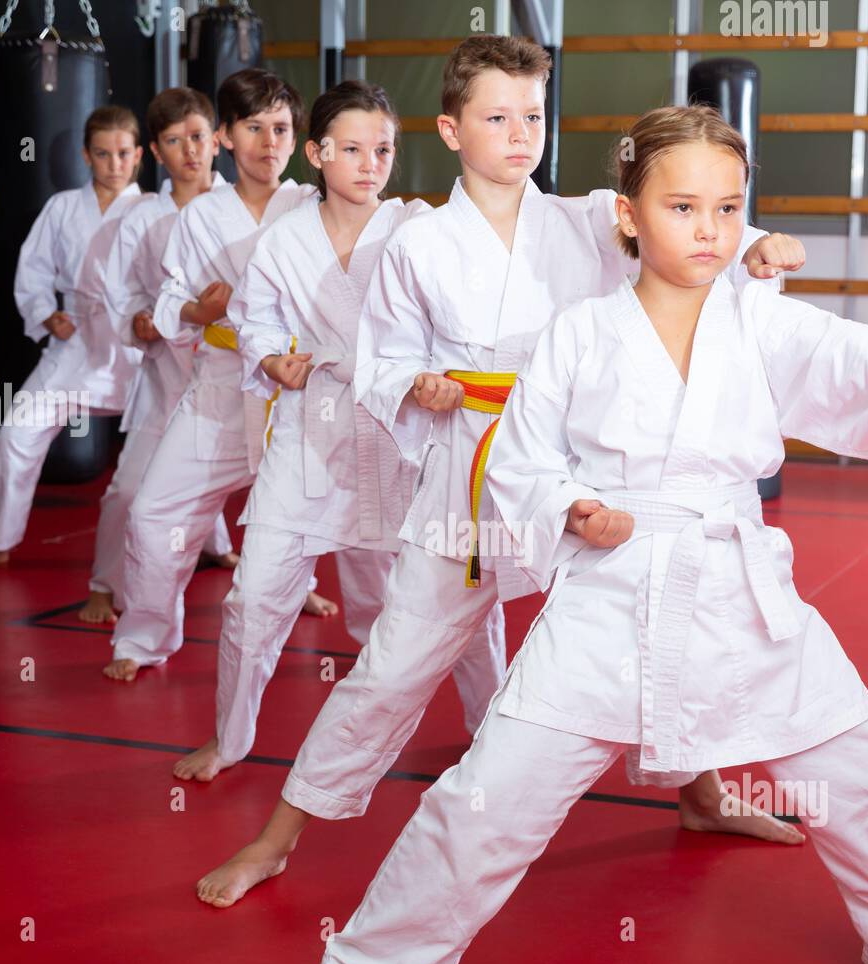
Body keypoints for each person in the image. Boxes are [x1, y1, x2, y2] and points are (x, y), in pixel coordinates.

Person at [263, 103, 868, 964]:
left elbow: (847, 359)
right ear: (629, 215)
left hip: (741, 594)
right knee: (484, 800)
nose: (708, 230)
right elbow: (520, 462)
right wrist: (571, 510)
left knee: (864, 776)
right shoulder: (579, 334)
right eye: (682, 207)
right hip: (608, 598)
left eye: (727, 208)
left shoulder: (758, 321)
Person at [195, 35, 804, 913]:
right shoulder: (419, 240)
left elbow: (688, 221)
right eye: (496, 117)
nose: (521, 134)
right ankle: (278, 835)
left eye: (532, 115)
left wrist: (754, 249)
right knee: (393, 665)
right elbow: (382, 362)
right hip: (468, 484)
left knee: (655, 628)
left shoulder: (590, 217)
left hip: (585, 469)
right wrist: (417, 384)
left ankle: (701, 792)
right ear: (450, 129)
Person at [175, 80, 503, 785]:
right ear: (317, 154)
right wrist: (269, 356)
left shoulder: (418, 225)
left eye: (382, 149)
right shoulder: (284, 236)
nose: (369, 163)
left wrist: (440, 373)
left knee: (458, 596)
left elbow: (464, 315)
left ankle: (492, 729)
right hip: (311, 434)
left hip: (403, 435)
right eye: (351, 149)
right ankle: (230, 739)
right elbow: (256, 316)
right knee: (253, 597)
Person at [103, 70, 331, 683]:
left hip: (295, 396)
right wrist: (203, 310)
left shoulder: (314, 207)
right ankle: (147, 633)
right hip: (218, 390)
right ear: (226, 137)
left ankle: (367, 643)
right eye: (252, 127)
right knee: (152, 515)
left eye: (280, 128)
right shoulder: (202, 215)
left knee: (324, 521)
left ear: (297, 138)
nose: (268, 141)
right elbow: (173, 302)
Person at [0, 106, 143, 573]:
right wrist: (45, 313)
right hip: (74, 339)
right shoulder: (62, 208)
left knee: (177, 444)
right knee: (14, 437)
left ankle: (212, 543)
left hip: (136, 346)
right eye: (102, 154)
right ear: (86, 155)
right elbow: (33, 269)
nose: (114, 164)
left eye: (122, 153)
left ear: (138, 156)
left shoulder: (152, 210)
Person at [80, 86, 237, 625]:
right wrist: (140, 321)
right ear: (156, 150)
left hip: (234, 375)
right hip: (165, 375)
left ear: (217, 140)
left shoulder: (240, 209)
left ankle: (294, 584)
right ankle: (105, 584)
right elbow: (120, 293)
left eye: (198, 137)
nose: (190, 151)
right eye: (175, 141)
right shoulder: (141, 218)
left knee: (281, 491)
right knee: (128, 490)